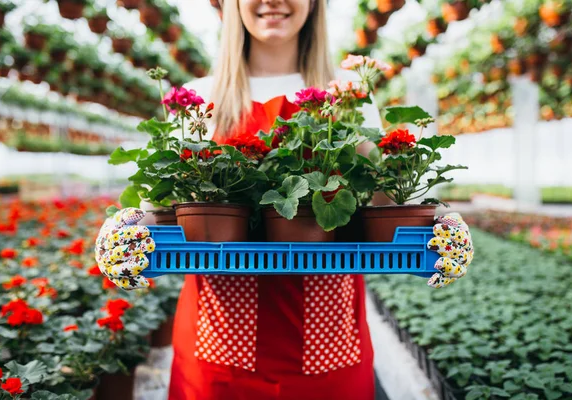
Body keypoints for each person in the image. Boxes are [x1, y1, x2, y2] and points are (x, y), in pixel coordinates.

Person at [94, 1, 473, 399]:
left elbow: (385, 205)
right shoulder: (197, 98)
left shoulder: (346, 96)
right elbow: (169, 210)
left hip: (329, 343)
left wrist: (440, 219)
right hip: (217, 344)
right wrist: (129, 225)